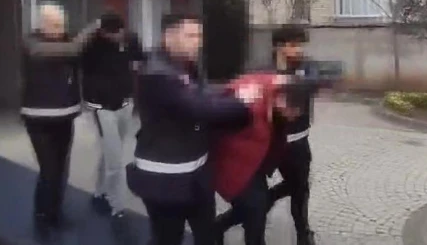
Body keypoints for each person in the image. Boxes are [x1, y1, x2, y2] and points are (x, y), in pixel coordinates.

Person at [127, 13, 253, 245]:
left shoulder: (186, 65)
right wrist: (244, 103)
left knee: (207, 235)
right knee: (168, 238)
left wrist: (230, 94)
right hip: (164, 178)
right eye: (190, 35)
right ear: (168, 37)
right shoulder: (157, 72)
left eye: (199, 36)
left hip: (197, 173)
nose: (198, 42)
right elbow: (200, 107)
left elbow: (204, 95)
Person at [21, 3, 99, 238]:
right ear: (42, 24)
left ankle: (55, 211)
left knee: (61, 167)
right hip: (38, 117)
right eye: (54, 24)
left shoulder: (68, 41)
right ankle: (43, 214)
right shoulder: (31, 42)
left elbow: (83, 57)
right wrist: (93, 28)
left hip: (65, 115)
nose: (59, 29)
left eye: (61, 24)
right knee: (49, 169)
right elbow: (71, 49)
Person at [212, 73, 298, 245]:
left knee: (257, 206)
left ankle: (218, 227)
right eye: (293, 111)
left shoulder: (280, 91)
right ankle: (218, 229)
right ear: (281, 98)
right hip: (234, 167)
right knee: (255, 210)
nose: (294, 116)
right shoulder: (248, 104)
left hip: (254, 164)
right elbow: (216, 128)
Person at [82, 12, 144, 224]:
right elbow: (78, 63)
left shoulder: (131, 39)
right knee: (115, 159)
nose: (116, 37)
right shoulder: (92, 44)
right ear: (102, 32)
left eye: (119, 32)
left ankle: (99, 191)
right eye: (111, 34)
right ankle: (116, 205)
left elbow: (139, 62)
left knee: (110, 152)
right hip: (102, 107)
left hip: (125, 103)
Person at [266, 24, 322, 245]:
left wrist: (284, 80)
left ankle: (303, 234)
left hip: (299, 142)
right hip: (271, 143)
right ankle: (230, 221)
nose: (298, 49)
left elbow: (311, 85)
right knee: (258, 195)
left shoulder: (307, 65)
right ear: (278, 47)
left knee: (300, 189)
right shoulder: (265, 68)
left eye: (300, 44)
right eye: (292, 44)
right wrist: (281, 75)